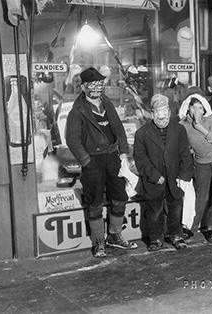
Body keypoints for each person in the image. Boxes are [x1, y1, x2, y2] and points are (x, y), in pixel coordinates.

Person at [66, 67, 137, 258]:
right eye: (92, 85)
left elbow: (119, 129)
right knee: (95, 203)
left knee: (120, 197)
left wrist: (123, 153)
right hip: (93, 160)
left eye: (99, 84)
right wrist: (86, 161)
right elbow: (72, 140)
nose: (97, 88)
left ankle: (114, 235)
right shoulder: (77, 111)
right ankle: (99, 242)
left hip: (112, 157)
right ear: (83, 87)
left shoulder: (107, 103)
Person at [134, 94, 194, 251]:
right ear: (152, 114)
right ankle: (155, 238)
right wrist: (155, 176)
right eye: (158, 114)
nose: (162, 118)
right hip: (154, 181)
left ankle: (176, 235)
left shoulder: (179, 130)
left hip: (175, 178)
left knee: (176, 208)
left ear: (169, 112)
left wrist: (184, 177)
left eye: (165, 114)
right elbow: (141, 160)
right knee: (155, 211)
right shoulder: (142, 133)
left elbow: (185, 155)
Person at [178, 89, 212, 242]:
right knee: (201, 197)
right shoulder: (182, 125)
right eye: (194, 107)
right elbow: (182, 145)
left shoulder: (210, 120)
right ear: (188, 107)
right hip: (201, 163)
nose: (197, 110)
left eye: (200, 107)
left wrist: (201, 128)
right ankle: (191, 227)